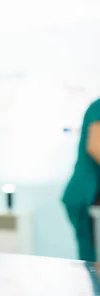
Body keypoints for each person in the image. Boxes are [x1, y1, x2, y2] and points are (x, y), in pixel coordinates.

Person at [63, 98, 100, 262]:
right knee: (91, 259)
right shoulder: (98, 107)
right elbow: (95, 146)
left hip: (91, 194)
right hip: (84, 194)